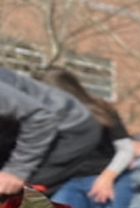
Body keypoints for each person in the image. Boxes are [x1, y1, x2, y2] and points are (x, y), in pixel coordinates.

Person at [38, 69, 136, 208]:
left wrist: (107, 177)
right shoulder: (44, 118)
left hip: (107, 179)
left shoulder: (101, 110)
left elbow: (126, 149)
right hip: (69, 183)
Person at [0, 69, 105, 197]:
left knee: (13, 190)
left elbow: (40, 118)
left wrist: (16, 171)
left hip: (66, 130)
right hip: (19, 132)